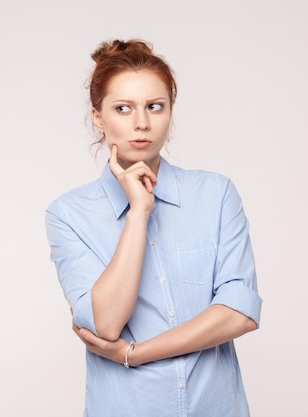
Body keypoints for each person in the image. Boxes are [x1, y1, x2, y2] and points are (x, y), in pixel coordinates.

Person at [45, 39, 262, 417]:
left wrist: (135, 354)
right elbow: (106, 324)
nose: (141, 123)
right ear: (98, 116)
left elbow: (239, 312)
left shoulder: (215, 194)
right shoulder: (68, 214)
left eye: (154, 106)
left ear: (170, 111)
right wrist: (139, 212)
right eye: (123, 108)